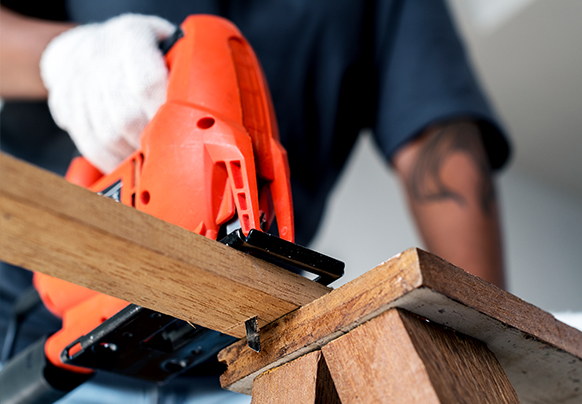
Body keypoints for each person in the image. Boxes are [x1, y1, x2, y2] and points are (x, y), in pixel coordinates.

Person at [0, 1, 511, 402]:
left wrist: (481, 341)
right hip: (32, 333)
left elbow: (441, 142)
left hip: (250, 357)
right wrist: (63, 55)